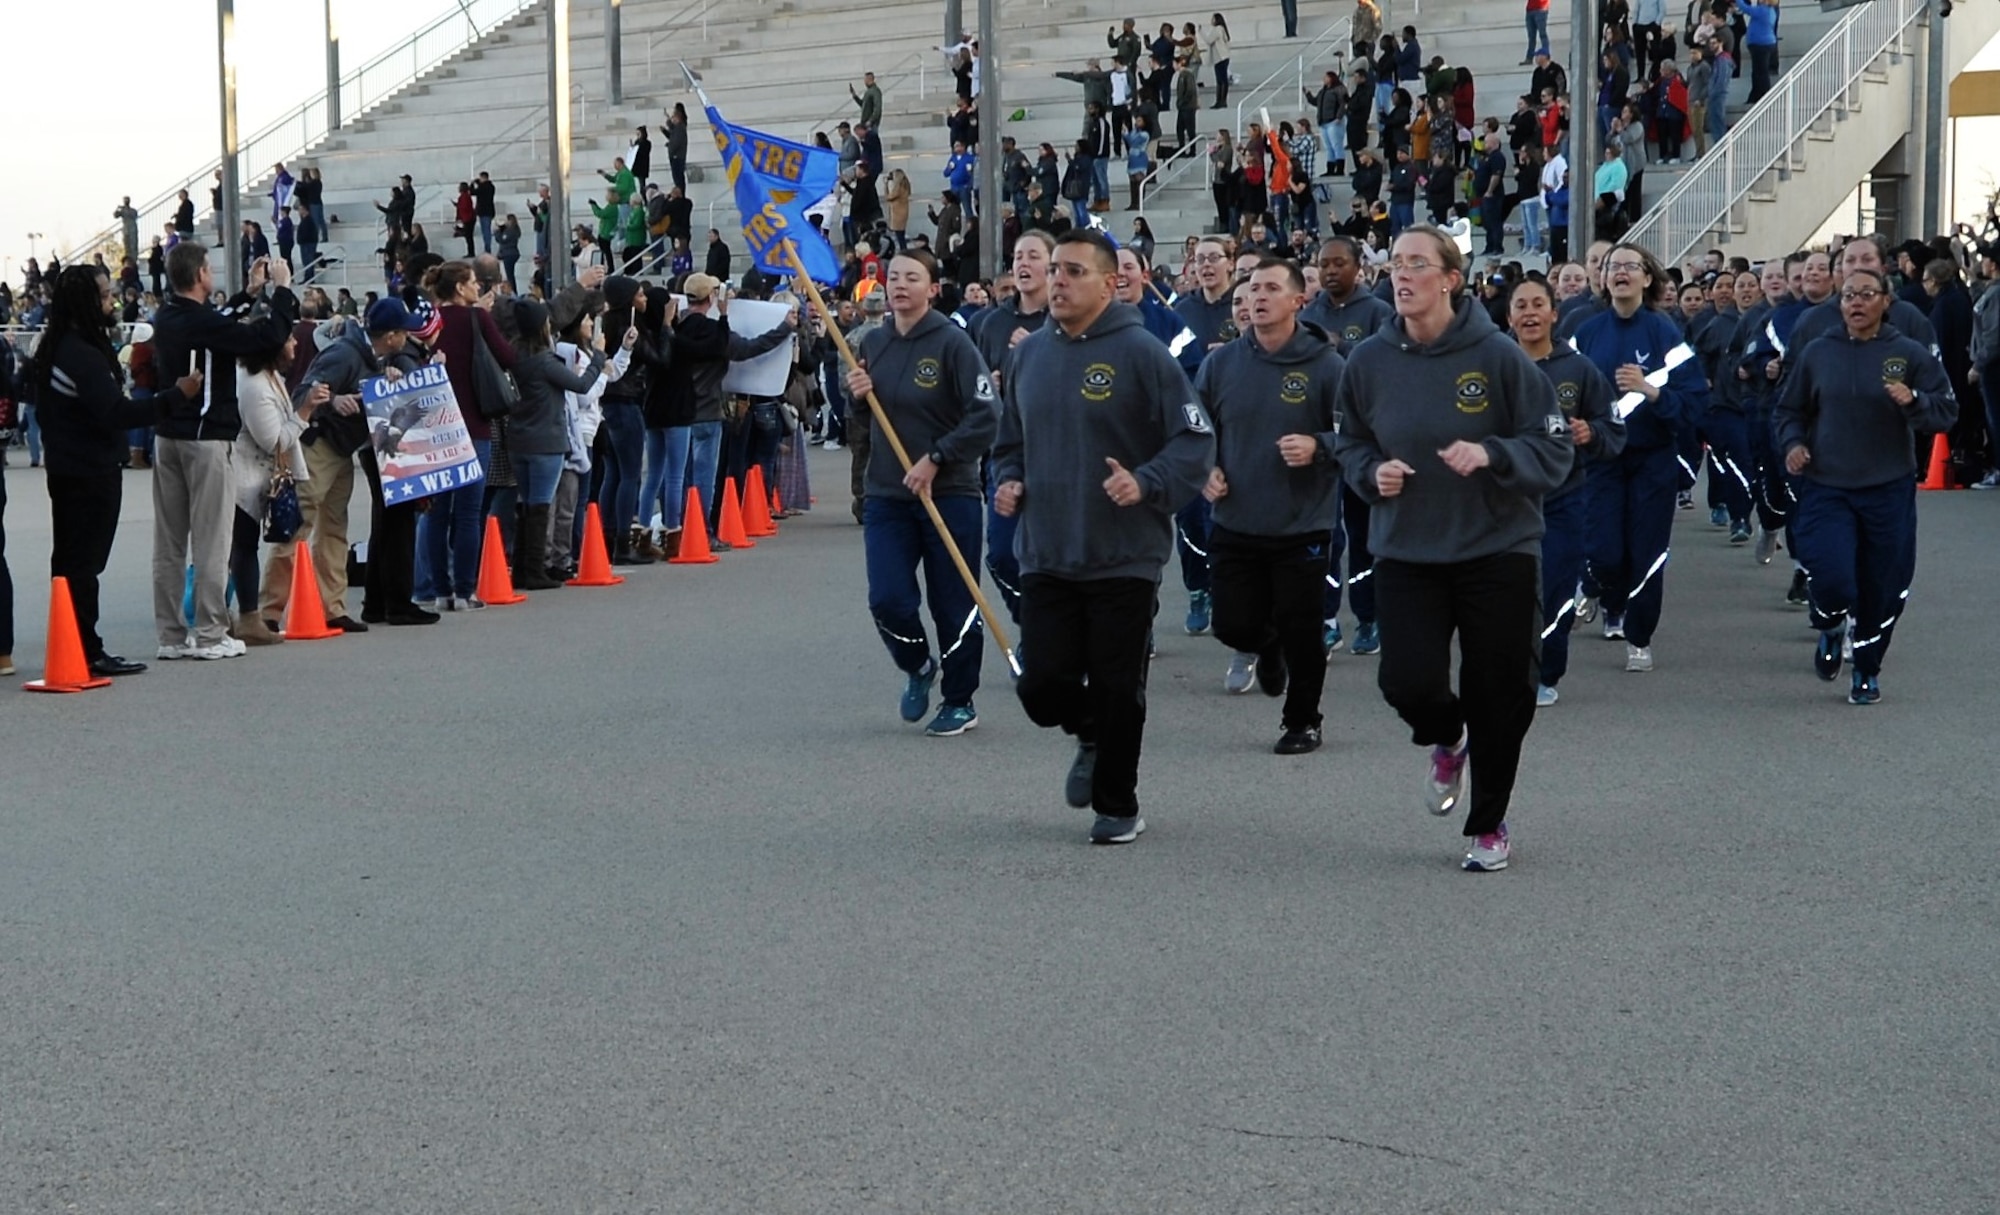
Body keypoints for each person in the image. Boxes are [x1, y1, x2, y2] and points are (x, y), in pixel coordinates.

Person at [1331, 225, 1574, 872]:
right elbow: (1349, 441)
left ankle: (1489, 821)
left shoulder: (1499, 357)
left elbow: (1553, 446)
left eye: (1417, 264)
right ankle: (1447, 735)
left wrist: (1492, 451)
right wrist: (1368, 472)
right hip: (1408, 546)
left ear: (1450, 278)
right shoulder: (1368, 361)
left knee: (1500, 690)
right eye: (1395, 264)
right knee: (1406, 682)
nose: (1401, 275)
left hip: (1498, 547)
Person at [992, 230, 1215, 844]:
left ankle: (1118, 803)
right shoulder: (1028, 356)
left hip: (1124, 554)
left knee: (1120, 686)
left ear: (1110, 282)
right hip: (1047, 550)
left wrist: (1146, 483)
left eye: (1072, 272)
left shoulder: (1143, 353)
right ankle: (1088, 728)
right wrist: (1008, 480)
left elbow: (1194, 441)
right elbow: (1010, 442)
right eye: (1053, 270)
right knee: (1040, 688)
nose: (1056, 281)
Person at [1776, 266, 1957, 704]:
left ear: (1885, 301)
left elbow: (1946, 410)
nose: (1856, 303)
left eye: (1866, 294)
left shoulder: (1909, 353)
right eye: (1849, 295)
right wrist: (1794, 444)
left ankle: (1867, 670)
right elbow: (1788, 411)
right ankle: (1831, 624)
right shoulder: (1820, 352)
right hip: (1827, 484)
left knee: (1881, 585)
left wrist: (1914, 401)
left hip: (1887, 486)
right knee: (1834, 578)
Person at [842, 249, 999, 737]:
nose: (900, 285)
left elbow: (985, 415)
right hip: (888, 493)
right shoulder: (874, 343)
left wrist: (937, 458)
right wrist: (857, 397)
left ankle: (959, 699)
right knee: (888, 597)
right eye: (893, 277)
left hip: (949, 492)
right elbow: (865, 425)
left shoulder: (953, 343)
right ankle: (916, 664)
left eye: (913, 277)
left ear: (933, 288)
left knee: (954, 601)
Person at [1195, 258, 1346, 753]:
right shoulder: (1221, 363)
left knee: (1304, 627)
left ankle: (1303, 721)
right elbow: (1195, 431)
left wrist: (1319, 445)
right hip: (1235, 516)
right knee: (1232, 623)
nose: (1257, 297)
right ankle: (1266, 646)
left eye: (1271, 288)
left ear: (1298, 301)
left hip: (1302, 520)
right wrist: (1206, 469)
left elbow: (1357, 436)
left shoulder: (1327, 365)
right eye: (1252, 288)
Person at [32, 267, 202, 677]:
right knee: (82, 566)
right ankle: (86, 650)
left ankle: (73, 642)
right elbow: (117, 413)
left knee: (73, 564)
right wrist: (176, 395)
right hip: (87, 472)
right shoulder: (79, 355)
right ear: (87, 303)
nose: (112, 303)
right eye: (105, 296)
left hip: (73, 468)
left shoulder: (63, 348)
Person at [149, 244, 300, 661]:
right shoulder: (201, 322)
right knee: (213, 538)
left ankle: (172, 636)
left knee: (170, 541)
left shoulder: (169, 315)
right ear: (200, 275)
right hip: (205, 438)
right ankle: (212, 632)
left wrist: (250, 293)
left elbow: (218, 324)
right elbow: (262, 336)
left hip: (168, 438)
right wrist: (282, 291)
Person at [1573, 243, 1710, 673]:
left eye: (1631, 267)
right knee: (1605, 551)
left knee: (1646, 550)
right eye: (1614, 267)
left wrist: (1651, 391)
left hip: (1653, 459)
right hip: (1601, 459)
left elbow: (1693, 402)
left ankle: (1638, 637)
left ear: (1647, 278)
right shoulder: (1587, 332)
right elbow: (1563, 389)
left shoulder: (1665, 332)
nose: (1621, 273)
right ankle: (1605, 593)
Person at [1509, 277, 1624, 707]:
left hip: (1563, 498)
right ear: (1509, 317)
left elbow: (1613, 430)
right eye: (1521, 306)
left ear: (1554, 314)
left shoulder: (1578, 368)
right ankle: (1507, 669)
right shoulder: (1495, 364)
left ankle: (1545, 670)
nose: (1530, 313)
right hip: (1504, 501)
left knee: (1555, 586)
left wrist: (1589, 432)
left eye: (1539, 304)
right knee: (1507, 592)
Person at [1301, 236, 1395, 657]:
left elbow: (1390, 367)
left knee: (1362, 534)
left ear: (1359, 266)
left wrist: (1343, 347)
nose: (1331, 271)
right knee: (1325, 536)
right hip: (1322, 443)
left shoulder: (1379, 313)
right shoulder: (1308, 314)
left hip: (1364, 442)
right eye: (1324, 264)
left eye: (1339, 263)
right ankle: (1324, 617)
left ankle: (1369, 617)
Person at [417, 260, 517, 610]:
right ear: (460, 288)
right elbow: (508, 357)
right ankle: (465, 590)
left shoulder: (428, 321)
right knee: (469, 511)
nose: (478, 288)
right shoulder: (477, 318)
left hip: (435, 426)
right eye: (473, 283)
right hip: (473, 423)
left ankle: (440, 591)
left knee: (437, 511)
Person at [970, 230, 1054, 621]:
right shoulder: (989, 322)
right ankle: (1033, 626)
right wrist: (990, 382)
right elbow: (973, 385)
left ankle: (1055, 635)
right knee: (1002, 554)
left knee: (1058, 557)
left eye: (1033, 256)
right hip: (1006, 453)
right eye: (1018, 256)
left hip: (1059, 455)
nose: (1023, 263)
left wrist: (1033, 354)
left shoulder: (1064, 318)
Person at [230, 329, 322, 647]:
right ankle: (248, 618)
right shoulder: (255, 385)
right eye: (289, 339)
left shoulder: (266, 375)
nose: (295, 343)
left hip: (250, 475)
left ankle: (225, 615)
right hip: (245, 478)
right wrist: (305, 412)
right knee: (243, 547)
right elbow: (274, 441)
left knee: (236, 548)